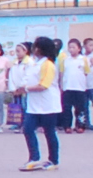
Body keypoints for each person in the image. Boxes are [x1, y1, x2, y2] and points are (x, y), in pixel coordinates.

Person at [17, 38, 63, 170]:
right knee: (28, 129)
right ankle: (34, 158)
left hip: (48, 105)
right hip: (34, 105)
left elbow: (44, 85)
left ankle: (53, 160)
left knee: (49, 132)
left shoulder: (48, 64)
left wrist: (26, 89)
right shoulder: (34, 64)